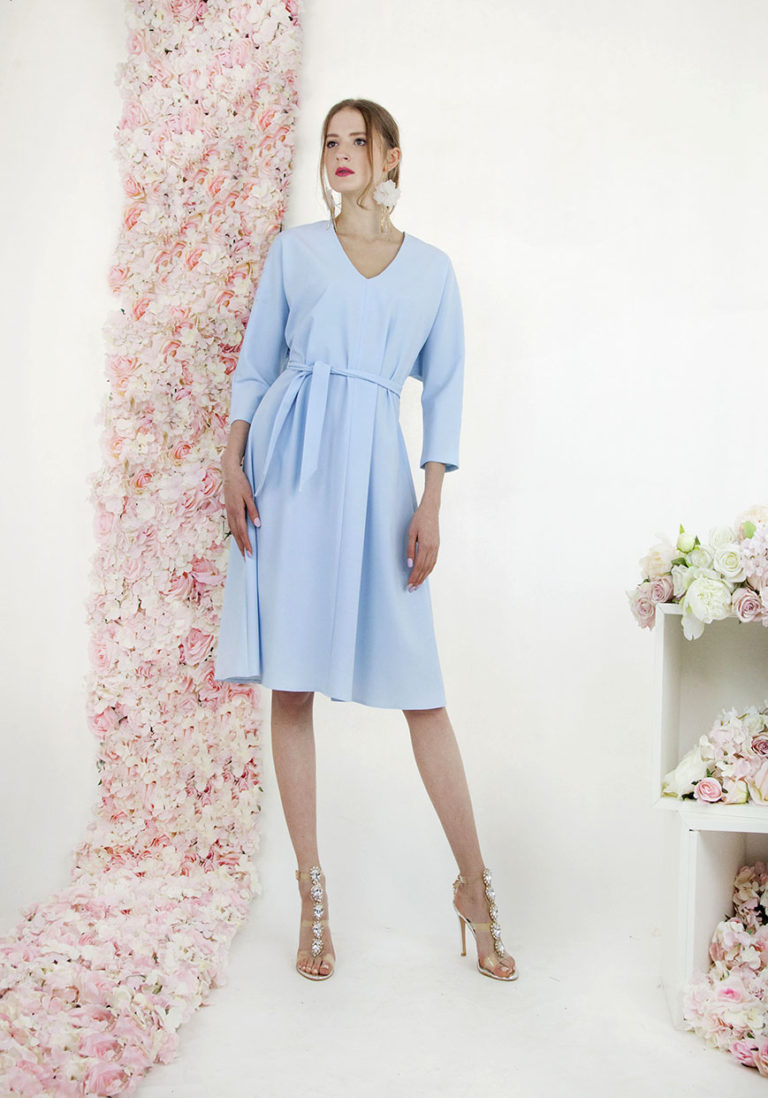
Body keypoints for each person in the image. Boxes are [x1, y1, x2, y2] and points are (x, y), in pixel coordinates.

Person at [213, 98, 518, 983]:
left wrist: (432, 503)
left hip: (382, 484)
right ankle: (312, 896)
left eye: (360, 141)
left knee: (423, 692)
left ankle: (473, 886)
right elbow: (255, 366)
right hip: (290, 473)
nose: (342, 153)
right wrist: (232, 462)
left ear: (391, 157)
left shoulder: (431, 271)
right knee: (294, 687)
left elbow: (445, 391)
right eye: (331, 141)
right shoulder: (295, 252)